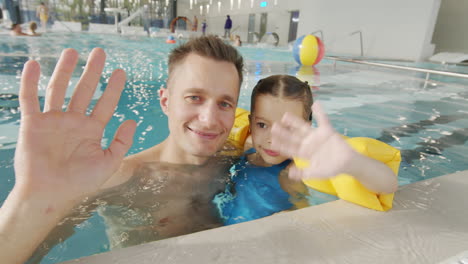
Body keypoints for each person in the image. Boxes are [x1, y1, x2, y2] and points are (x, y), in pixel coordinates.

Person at [0, 36, 244, 263]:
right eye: (194, 98)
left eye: (224, 103)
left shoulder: (233, 156)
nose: (210, 119)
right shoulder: (118, 176)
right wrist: (30, 201)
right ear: (166, 101)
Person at [214, 75, 398, 225]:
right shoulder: (242, 149)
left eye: (288, 128)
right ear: (250, 122)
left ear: (307, 126)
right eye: (262, 125)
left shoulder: (303, 171)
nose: (272, 139)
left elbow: (388, 185)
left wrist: (353, 164)